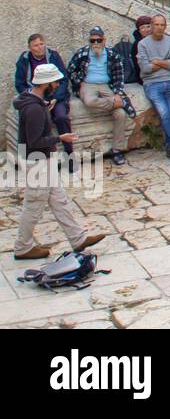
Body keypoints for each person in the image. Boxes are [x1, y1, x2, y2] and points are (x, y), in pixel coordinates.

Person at [13, 63, 107, 260]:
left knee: (59, 200)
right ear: (45, 83)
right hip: (36, 161)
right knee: (34, 205)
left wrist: (45, 109)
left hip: (41, 159)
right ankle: (22, 247)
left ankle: (77, 239)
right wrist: (60, 138)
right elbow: (35, 141)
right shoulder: (34, 109)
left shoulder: (36, 104)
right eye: (54, 82)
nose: (56, 85)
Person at [67, 26, 136, 167]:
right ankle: (120, 102)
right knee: (90, 101)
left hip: (106, 85)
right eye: (93, 41)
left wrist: (117, 93)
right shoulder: (82, 53)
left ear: (104, 40)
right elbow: (71, 69)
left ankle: (117, 149)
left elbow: (119, 75)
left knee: (120, 114)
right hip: (88, 84)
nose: (96, 43)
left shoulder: (112, 54)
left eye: (99, 40)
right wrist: (78, 83)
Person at [136, 14, 170, 161]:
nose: (159, 27)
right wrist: (166, 63)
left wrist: (157, 62)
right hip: (152, 83)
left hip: (169, 81)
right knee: (166, 113)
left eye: (162, 25)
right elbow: (145, 68)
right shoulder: (143, 44)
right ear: (152, 26)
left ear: (165, 27)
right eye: (156, 24)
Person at [14, 34, 73, 162]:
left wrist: (56, 98)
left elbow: (62, 81)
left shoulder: (53, 56)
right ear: (30, 48)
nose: (40, 48)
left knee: (61, 117)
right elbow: (19, 84)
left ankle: (69, 155)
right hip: (35, 95)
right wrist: (37, 98)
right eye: (36, 45)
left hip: (54, 96)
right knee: (41, 122)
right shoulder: (24, 59)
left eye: (42, 44)